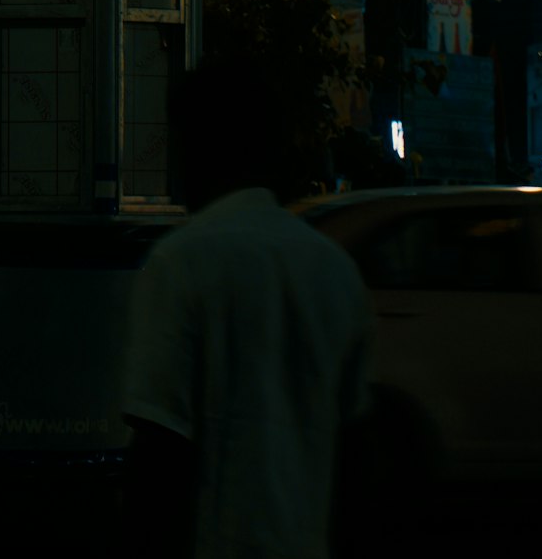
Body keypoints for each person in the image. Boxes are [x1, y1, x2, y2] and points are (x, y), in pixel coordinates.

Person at [122, 61, 373, 559]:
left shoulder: (182, 262)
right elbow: (356, 457)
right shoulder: (336, 272)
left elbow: (159, 454)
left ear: (200, 147)